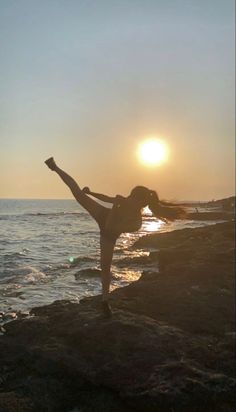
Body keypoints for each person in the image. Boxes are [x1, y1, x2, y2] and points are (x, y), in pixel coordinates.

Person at [45, 157, 185, 317]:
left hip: (109, 234)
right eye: (129, 196)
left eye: (132, 198)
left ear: (140, 203)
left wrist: (115, 207)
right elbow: (107, 199)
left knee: (105, 268)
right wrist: (91, 193)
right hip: (104, 215)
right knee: (77, 193)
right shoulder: (125, 201)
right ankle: (55, 167)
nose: (128, 199)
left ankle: (105, 301)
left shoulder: (136, 222)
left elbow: (110, 227)